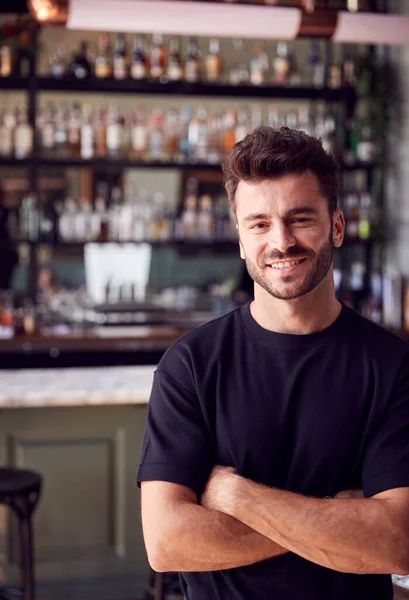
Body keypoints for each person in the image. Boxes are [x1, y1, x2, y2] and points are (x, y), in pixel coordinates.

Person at [137, 126, 409, 600]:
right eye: (259, 224)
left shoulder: (393, 367)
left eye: (301, 218)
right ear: (241, 240)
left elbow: (396, 542)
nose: (280, 242)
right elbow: (166, 542)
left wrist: (238, 498)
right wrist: (334, 523)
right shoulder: (191, 365)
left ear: (337, 227)